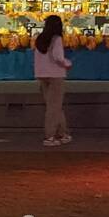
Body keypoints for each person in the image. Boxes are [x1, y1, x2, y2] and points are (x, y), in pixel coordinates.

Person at [33, 14, 72, 147]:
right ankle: (50, 136)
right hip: (55, 75)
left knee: (54, 105)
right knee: (54, 107)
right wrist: (67, 63)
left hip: (42, 75)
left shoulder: (40, 38)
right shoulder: (57, 39)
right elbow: (58, 57)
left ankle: (63, 133)